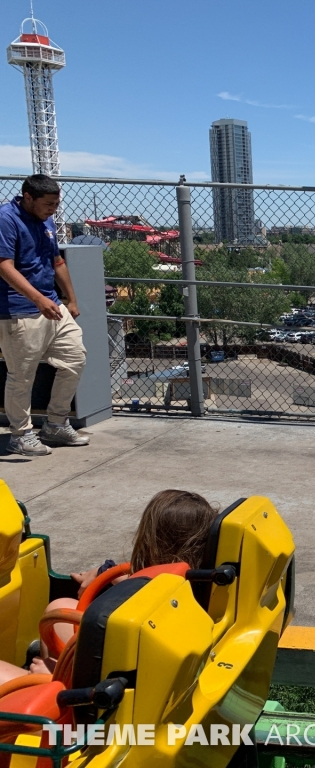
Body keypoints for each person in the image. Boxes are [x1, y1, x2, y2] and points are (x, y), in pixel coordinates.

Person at [0, 490, 218, 684]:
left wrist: (55, 676)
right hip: (137, 679)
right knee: (60, 607)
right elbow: (145, 580)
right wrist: (107, 572)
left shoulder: (149, 605)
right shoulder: (198, 587)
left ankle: (46, 692)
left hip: (94, 698)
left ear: (149, 540)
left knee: (57, 617)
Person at [0, 174, 88, 457]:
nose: (53, 209)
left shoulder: (46, 220)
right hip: (20, 310)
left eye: (56, 204)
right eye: (49, 204)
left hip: (52, 305)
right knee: (22, 375)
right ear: (28, 197)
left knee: (75, 358)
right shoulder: (6, 219)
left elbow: (57, 261)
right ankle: (20, 435)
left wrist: (71, 299)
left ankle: (56, 424)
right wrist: (37, 299)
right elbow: (4, 266)